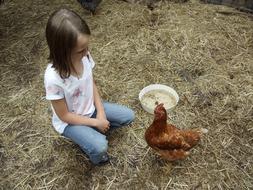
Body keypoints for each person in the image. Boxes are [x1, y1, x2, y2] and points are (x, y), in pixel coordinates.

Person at [44, 8, 135, 165]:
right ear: (62, 52)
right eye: (81, 50)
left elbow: (91, 83)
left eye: (87, 47)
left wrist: (100, 112)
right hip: (70, 122)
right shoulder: (53, 78)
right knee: (100, 147)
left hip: (90, 110)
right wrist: (96, 123)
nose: (87, 52)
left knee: (128, 116)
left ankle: (91, 133)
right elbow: (64, 116)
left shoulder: (84, 56)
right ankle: (95, 154)